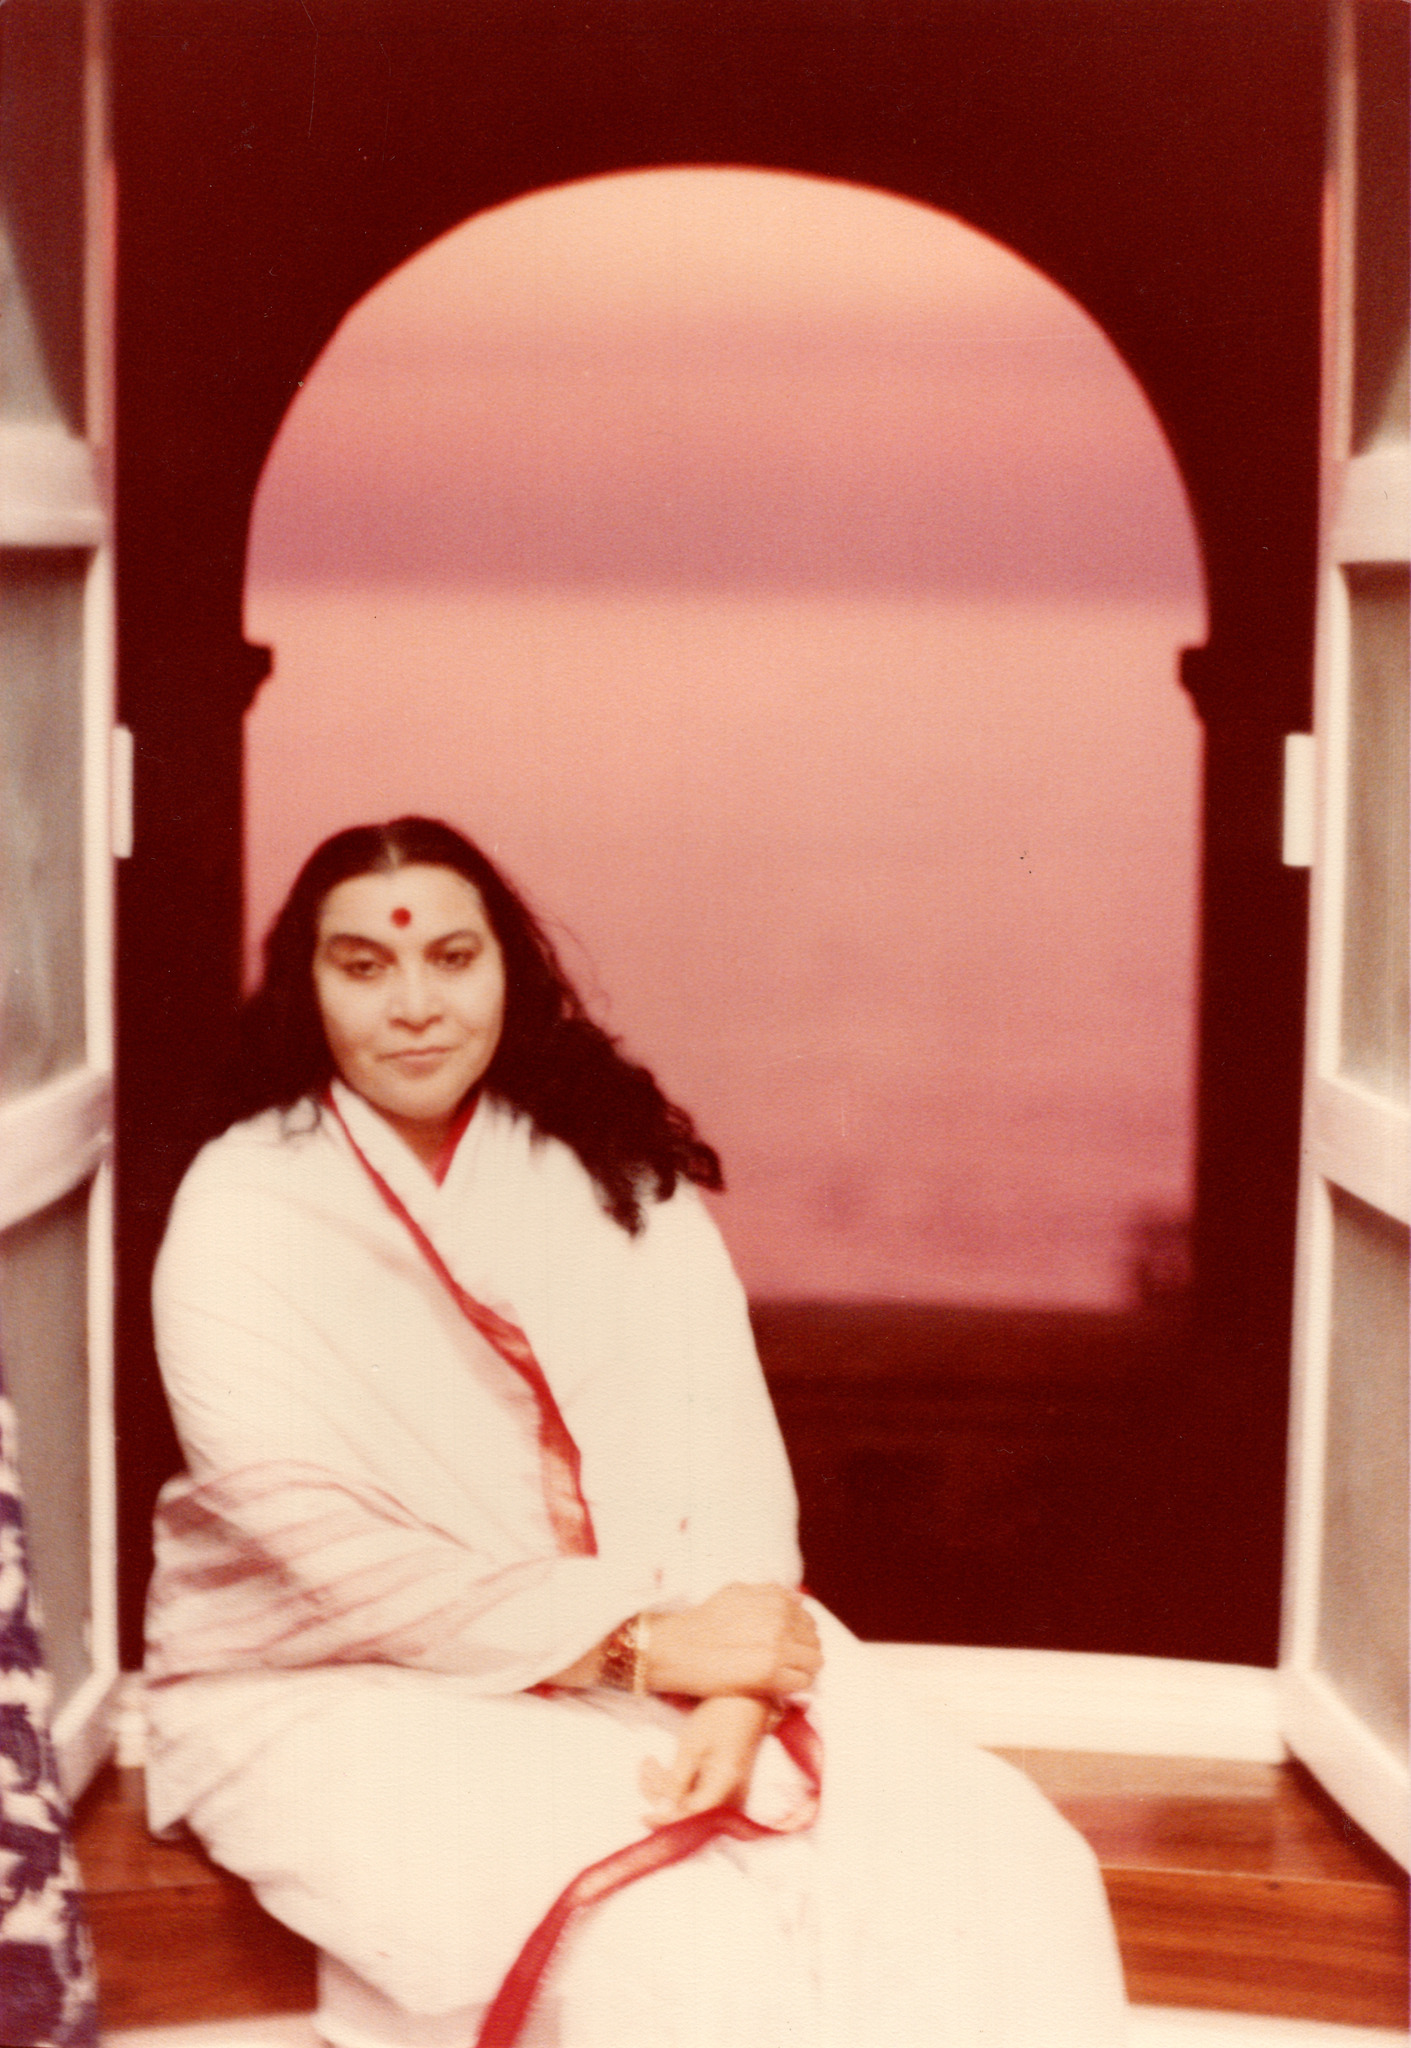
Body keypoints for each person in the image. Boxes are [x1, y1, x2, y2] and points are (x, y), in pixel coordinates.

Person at [144, 815, 1129, 2048]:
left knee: (1009, 1861)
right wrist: (649, 1649)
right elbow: (316, 1549)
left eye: (452, 957)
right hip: (337, 1679)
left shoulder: (610, 1170)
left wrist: (737, 1687)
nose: (414, 1005)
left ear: (509, 970)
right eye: (365, 965)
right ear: (307, 988)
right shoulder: (246, 1204)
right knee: (674, 1941)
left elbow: (727, 1456)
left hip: (673, 1642)